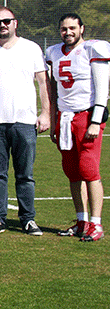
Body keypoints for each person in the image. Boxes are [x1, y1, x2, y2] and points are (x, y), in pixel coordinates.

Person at [0, 6, 50, 236]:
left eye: (6, 21)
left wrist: (45, 113)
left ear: (15, 23)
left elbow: (43, 84)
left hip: (25, 122)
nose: (2, 25)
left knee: (25, 174)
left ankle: (28, 219)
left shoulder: (31, 48)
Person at [45, 13, 109, 241]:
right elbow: (53, 90)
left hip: (86, 115)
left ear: (82, 28)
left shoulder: (93, 49)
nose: (68, 32)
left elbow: (102, 86)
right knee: (72, 172)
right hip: (64, 118)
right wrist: (53, 121)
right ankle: (81, 220)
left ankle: (96, 224)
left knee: (89, 170)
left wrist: (96, 119)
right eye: (64, 29)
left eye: (72, 28)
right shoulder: (53, 52)